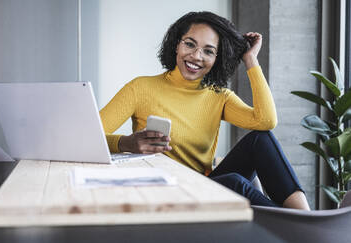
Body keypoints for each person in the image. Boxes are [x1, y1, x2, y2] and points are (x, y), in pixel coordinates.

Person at [99, 11, 310, 210]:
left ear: (217, 58)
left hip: (202, 188)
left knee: (260, 139)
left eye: (208, 51)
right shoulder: (141, 88)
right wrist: (126, 143)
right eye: (189, 44)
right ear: (176, 46)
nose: (196, 56)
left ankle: (305, 220)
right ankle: (299, 227)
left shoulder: (219, 96)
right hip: (164, 193)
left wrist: (250, 59)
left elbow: (266, 121)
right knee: (234, 183)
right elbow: (89, 138)